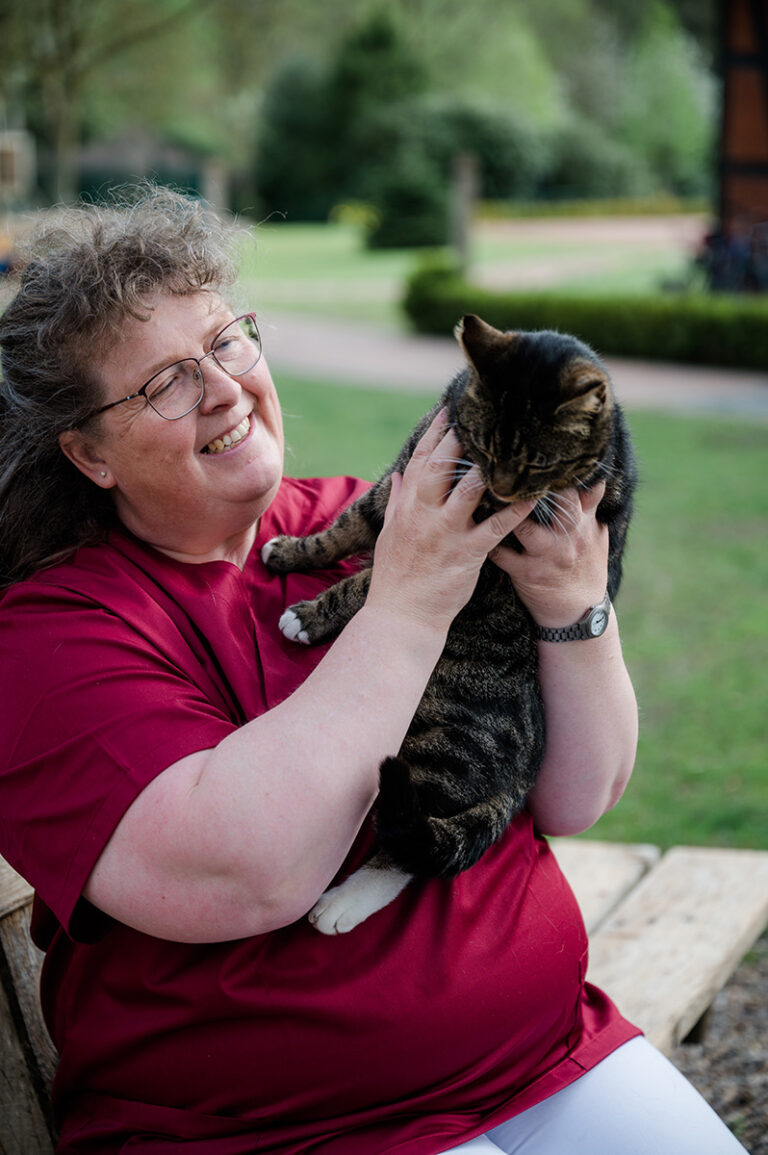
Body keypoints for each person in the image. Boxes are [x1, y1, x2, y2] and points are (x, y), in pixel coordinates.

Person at [0, 187, 745, 1155]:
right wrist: (410, 600)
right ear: (89, 453)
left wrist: (576, 609)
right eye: (165, 383)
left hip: (547, 1055)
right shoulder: (56, 636)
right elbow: (254, 873)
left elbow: (578, 792)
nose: (225, 386)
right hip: (282, 1129)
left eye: (229, 340)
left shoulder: (361, 514)